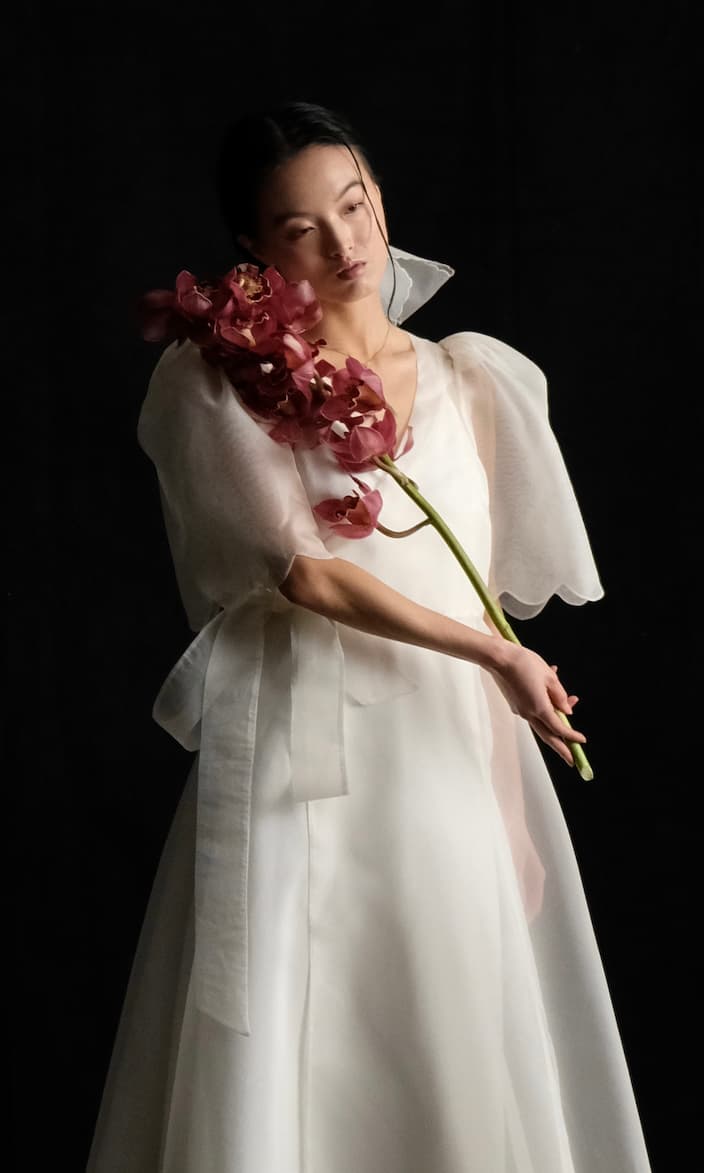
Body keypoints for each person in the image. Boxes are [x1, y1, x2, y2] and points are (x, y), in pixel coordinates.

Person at [86, 100, 652, 1172]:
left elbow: (474, 591)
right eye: (302, 229)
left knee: (456, 1049)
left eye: (355, 205)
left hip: (441, 772)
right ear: (253, 247)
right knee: (298, 1056)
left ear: (379, 195)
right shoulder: (217, 383)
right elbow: (302, 571)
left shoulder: (467, 379)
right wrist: (497, 655)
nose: (347, 246)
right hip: (302, 770)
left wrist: (511, 817)